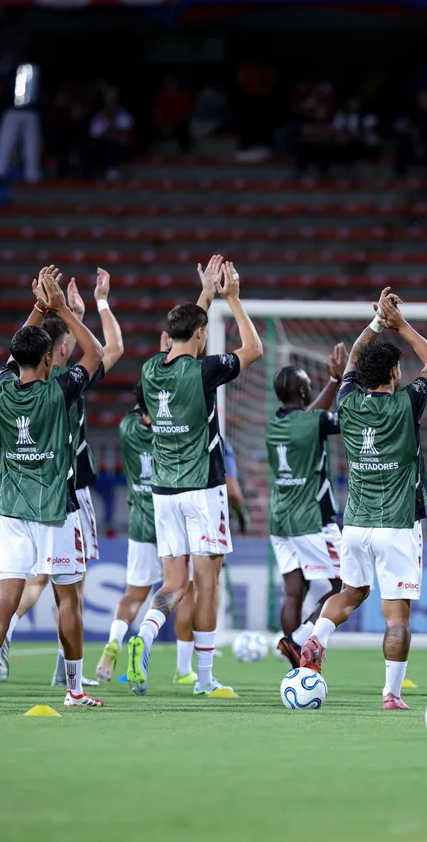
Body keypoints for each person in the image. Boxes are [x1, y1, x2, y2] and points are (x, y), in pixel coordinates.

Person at [299, 289, 427, 711]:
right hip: (397, 524)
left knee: (351, 593)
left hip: (357, 523)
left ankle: (315, 639)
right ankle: (391, 694)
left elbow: (350, 364)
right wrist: (401, 325)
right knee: (396, 617)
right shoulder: (407, 402)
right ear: (396, 372)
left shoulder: (347, 401)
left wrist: (377, 324)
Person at [126, 257, 263, 699]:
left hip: (163, 492)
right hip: (203, 489)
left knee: (172, 585)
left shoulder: (150, 370)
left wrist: (203, 296)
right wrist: (233, 300)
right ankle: (204, 679)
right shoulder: (203, 372)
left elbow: (185, 337)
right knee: (207, 584)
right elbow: (254, 349)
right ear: (202, 335)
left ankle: (144, 637)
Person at [0, 268, 105, 709]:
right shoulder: (60, 391)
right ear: (49, 359)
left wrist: (38, 309)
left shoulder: (2, 390)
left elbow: (16, 352)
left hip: (11, 511)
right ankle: (75, 689)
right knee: (69, 601)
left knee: (6, 598)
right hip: (55, 512)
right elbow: (96, 351)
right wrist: (62, 309)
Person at [2, 270, 124, 687]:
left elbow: (20, 350)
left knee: (32, 580)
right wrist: (97, 305)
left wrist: (54, 310)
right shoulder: (67, 383)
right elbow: (111, 348)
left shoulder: (15, 384)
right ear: (59, 349)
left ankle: (0, 640)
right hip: (67, 494)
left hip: (21, 497)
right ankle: (67, 670)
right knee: (71, 586)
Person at [266, 342, 347, 668]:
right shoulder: (312, 424)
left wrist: (331, 383)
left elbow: (311, 416)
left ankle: (297, 663)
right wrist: (338, 381)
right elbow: (333, 420)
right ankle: (298, 640)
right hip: (310, 519)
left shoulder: (274, 426)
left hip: (279, 521)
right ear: (302, 391)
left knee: (293, 592)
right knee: (347, 586)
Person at [97, 382, 163, 684]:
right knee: (183, 591)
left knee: (133, 594)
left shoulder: (127, 426)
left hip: (139, 521)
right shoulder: (170, 428)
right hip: (170, 518)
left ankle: (113, 644)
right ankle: (188, 670)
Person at [0, 62, 41, 186]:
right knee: (7, 142)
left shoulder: (32, 70)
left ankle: (31, 175)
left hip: (29, 111)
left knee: (30, 144)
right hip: (14, 110)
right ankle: (0, 172)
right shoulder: (11, 70)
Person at [89, 87, 133, 180]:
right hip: (102, 147)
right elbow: (94, 134)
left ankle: (113, 171)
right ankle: (87, 177)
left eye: (112, 101)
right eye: (108, 101)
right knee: (95, 147)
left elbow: (123, 132)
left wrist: (111, 126)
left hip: (121, 147)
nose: (110, 104)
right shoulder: (99, 116)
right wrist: (108, 130)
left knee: (112, 144)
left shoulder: (123, 114)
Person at [153, 74, 194, 154]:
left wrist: (173, 125)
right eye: (167, 80)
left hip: (178, 125)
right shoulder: (160, 96)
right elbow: (155, 113)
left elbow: (188, 113)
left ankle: (185, 152)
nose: (169, 82)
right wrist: (162, 126)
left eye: (171, 80)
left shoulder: (184, 95)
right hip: (163, 126)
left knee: (182, 128)